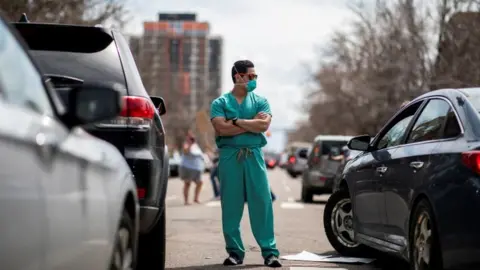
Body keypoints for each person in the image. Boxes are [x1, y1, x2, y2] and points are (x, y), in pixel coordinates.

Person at [210, 60, 281, 268]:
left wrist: (236, 121)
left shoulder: (261, 101)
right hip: (229, 157)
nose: (254, 80)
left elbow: (264, 124)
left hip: (254, 156)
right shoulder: (220, 103)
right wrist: (251, 124)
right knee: (231, 205)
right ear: (238, 77)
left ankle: (269, 252)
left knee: (262, 202)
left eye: (255, 76)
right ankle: (235, 252)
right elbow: (222, 129)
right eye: (251, 76)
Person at [179, 131, 205, 205]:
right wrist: (190, 144)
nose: (192, 138)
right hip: (187, 168)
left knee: (200, 183)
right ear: (187, 138)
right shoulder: (186, 144)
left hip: (196, 168)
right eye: (190, 137)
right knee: (187, 183)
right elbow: (186, 151)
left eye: (192, 137)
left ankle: (196, 198)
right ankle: (186, 201)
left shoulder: (195, 145)